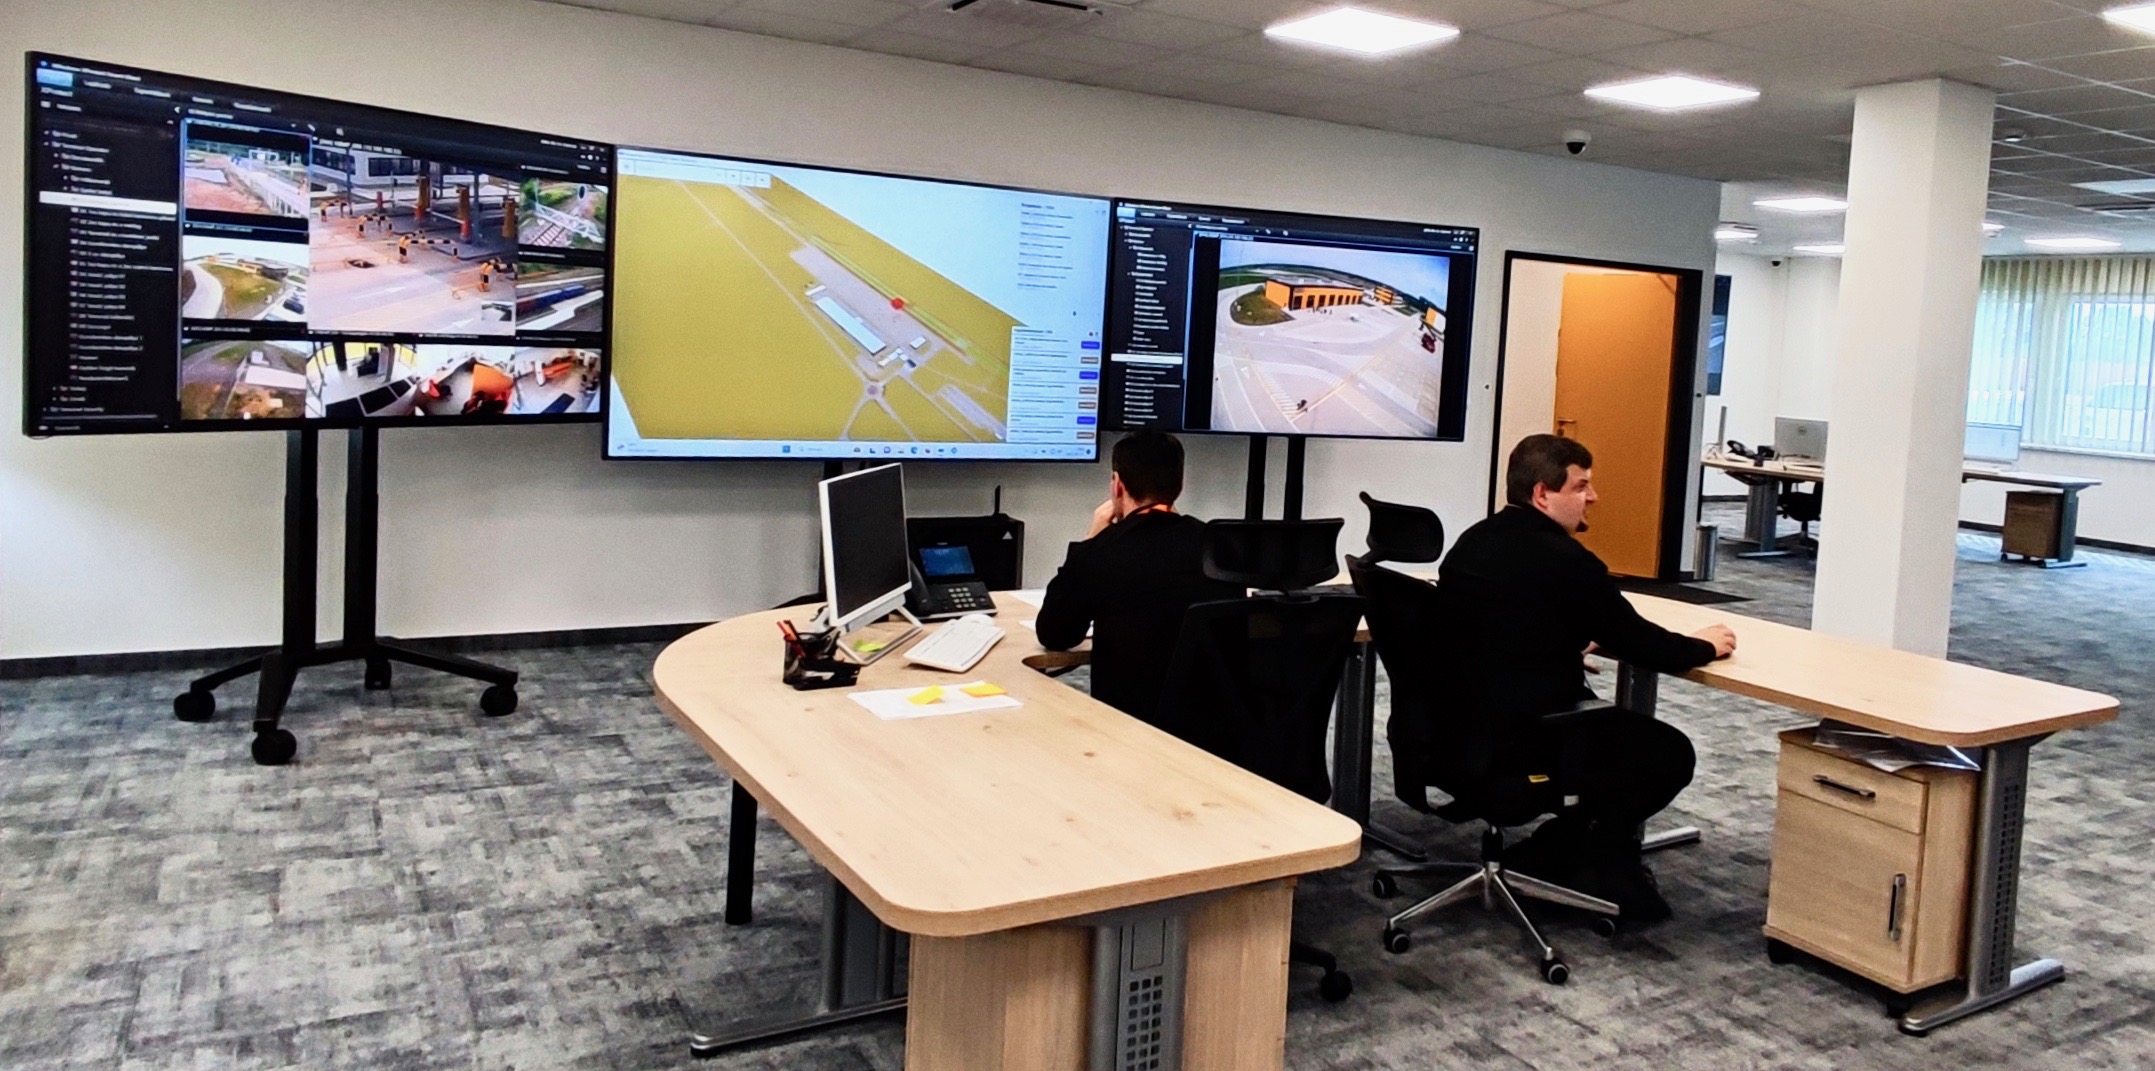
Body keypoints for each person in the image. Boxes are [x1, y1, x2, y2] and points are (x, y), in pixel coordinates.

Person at [1438, 433, 1737, 921]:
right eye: (1581, 486)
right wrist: (1705, 643)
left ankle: (1563, 846)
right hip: (1529, 735)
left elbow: (1497, 622)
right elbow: (1647, 646)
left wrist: (1566, 638)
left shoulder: (1474, 541)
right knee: (1667, 753)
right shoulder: (1567, 561)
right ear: (1542, 494)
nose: (1593, 497)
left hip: (1459, 728)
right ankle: (1586, 853)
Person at [1036, 431, 1237, 725]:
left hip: (1128, 730)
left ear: (1117, 485)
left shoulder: (1102, 551)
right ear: (1179, 485)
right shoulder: (1220, 546)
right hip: (1212, 730)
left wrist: (1090, 539)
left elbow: (1055, 635)